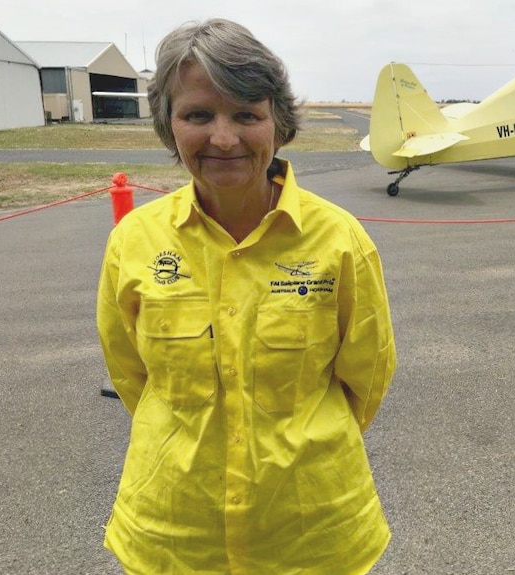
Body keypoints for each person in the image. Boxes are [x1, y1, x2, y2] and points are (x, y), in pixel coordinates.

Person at [96, 18, 396, 574]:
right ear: (169, 126)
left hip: (311, 532)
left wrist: (295, 450)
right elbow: (132, 376)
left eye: (246, 115)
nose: (224, 138)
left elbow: (367, 375)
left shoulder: (339, 240)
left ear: (278, 124)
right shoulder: (133, 242)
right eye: (198, 115)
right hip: (176, 535)